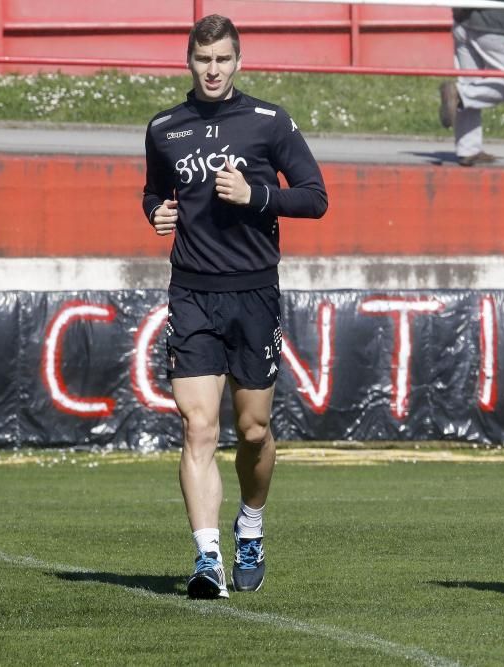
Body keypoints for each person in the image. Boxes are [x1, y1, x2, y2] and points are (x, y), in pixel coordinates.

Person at [142, 14, 327, 599]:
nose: (213, 69)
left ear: (238, 61)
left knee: (253, 429)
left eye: (223, 59)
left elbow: (316, 198)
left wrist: (258, 196)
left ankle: (251, 524)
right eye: (203, 60)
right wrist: (155, 212)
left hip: (254, 294)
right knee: (198, 427)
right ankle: (207, 559)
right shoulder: (165, 127)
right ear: (189, 62)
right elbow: (154, 189)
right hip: (191, 293)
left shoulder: (268, 122)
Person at [439, 0, 504, 166]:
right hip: (495, 25)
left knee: (470, 82)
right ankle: (459, 94)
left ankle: (468, 150)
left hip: (462, 22)